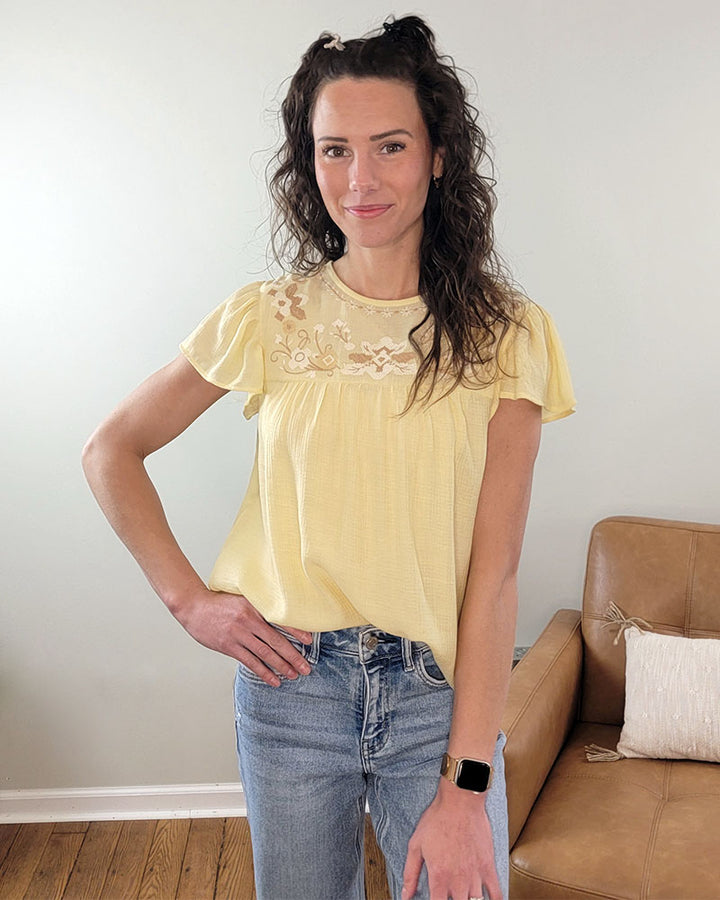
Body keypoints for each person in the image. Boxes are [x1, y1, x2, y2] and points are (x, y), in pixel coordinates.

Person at [82, 14, 575, 900]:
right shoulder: (268, 318)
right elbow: (111, 450)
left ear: (437, 155)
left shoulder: (510, 335)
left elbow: (495, 577)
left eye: (389, 145)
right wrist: (190, 602)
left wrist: (468, 784)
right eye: (334, 150)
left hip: (439, 697)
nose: (361, 179)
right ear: (308, 164)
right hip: (292, 689)